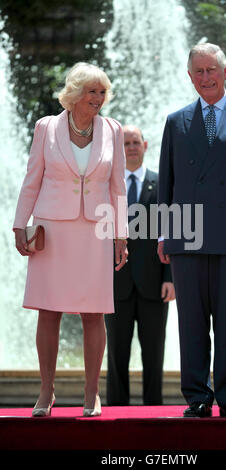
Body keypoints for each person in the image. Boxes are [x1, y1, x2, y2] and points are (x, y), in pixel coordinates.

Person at [157, 43, 226, 418]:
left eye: (211, 70)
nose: (205, 78)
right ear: (190, 77)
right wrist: (163, 233)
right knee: (190, 322)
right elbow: (168, 184)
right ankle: (196, 396)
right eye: (198, 72)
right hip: (187, 236)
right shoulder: (176, 122)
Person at [13, 62, 128, 417]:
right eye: (91, 91)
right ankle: (46, 393)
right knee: (48, 312)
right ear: (75, 94)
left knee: (94, 314)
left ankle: (91, 394)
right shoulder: (46, 127)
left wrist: (122, 234)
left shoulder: (113, 129)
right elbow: (33, 178)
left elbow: (117, 185)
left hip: (96, 231)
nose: (98, 98)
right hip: (53, 229)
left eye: (102, 92)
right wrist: (20, 224)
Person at [105, 125, 175, 405]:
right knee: (116, 355)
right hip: (115, 284)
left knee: (154, 355)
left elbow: (172, 234)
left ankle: (153, 413)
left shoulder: (163, 184)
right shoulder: (107, 187)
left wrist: (171, 277)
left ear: (145, 145)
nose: (131, 147)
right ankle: (114, 414)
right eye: (126, 143)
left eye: (135, 142)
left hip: (155, 285)